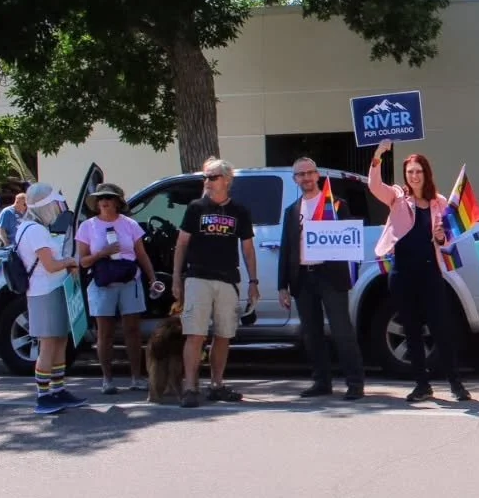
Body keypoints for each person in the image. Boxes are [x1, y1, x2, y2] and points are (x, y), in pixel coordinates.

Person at [368, 141, 466, 404]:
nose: (414, 176)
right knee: (411, 330)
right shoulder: (398, 199)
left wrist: (441, 236)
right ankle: (422, 385)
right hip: (402, 273)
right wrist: (378, 156)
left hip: (430, 273)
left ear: (426, 173)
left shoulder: (439, 202)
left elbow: (448, 241)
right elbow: (374, 186)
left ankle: (455, 384)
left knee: (441, 329)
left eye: (418, 171)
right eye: (410, 172)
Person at [170, 158, 259, 407]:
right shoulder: (196, 207)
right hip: (198, 277)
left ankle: (217, 384)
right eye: (205, 177)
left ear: (227, 180)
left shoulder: (240, 211)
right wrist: (177, 277)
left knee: (223, 334)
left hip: (227, 279)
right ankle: (190, 387)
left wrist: (253, 282)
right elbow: (182, 244)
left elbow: (248, 249)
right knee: (195, 333)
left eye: (212, 177)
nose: (206, 181)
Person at [278, 158, 365, 402]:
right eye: (300, 174)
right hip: (302, 278)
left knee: (342, 331)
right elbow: (286, 249)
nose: (305, 178)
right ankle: (321, 381)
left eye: (309, 173)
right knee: (311, 333)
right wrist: (281, 285)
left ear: (317, 175)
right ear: (295, 179)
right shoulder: (292, 211)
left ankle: (355, 383)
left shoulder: (336, 205)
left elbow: (350, 239)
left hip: (331, 277)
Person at [75, 183, 161, 394]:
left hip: (129, 281)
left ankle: (136, 377)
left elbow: (141, 254)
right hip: (103, 282)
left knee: (133, 330)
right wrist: (102, 253)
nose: (104, 201)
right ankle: (107, 380)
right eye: (100, 198)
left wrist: (152, 278)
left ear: (117, 202)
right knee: (105, 332)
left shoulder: (129, 224)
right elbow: (83, 261)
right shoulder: (87, 226)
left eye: (109, 197)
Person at [15, 183, 87, 415]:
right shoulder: (34, 231)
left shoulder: (29, 227)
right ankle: (44, 395)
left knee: (59, 342)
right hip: (44, 293)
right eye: (53, 204)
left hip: (50, 291)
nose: (56, 209)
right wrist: (69, 262)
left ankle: (57, 389)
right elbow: (50, 265)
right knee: (48, 345)